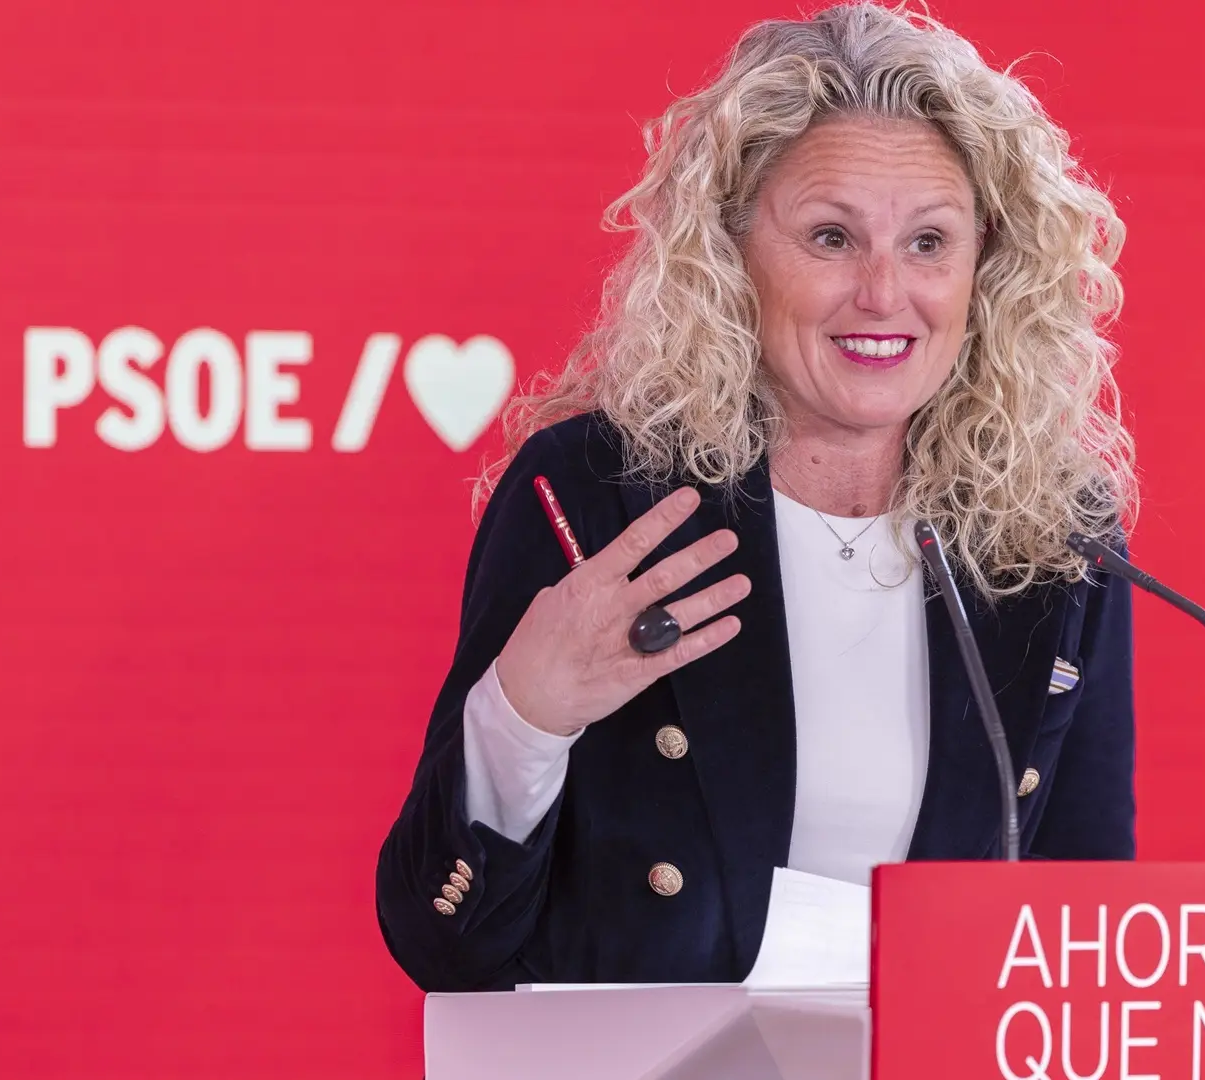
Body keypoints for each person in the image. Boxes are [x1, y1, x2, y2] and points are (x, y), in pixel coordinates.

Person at [376, 2, 1137, 991]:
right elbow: (441, 945)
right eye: (830, 237)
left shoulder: (1050, 531)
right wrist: (525, 716)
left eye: (928, 243)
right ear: (733, 253)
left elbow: (1081, 935)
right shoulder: (597, 496)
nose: (883, 293)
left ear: (986, 266)